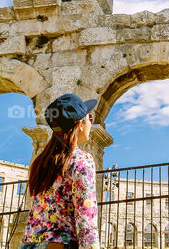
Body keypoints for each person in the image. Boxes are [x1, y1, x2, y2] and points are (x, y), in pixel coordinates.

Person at [20, 93, 100, 249]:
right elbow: (86, 216)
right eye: (89, 117)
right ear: (80, 124)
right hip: (60, 245)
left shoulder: (41, 162)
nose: (91, 122)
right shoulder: (81, 160)